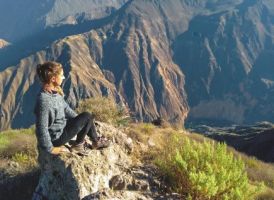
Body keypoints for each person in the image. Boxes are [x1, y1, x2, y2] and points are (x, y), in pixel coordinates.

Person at [34, 61, 110, 156]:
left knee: (87, 117)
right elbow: (41, 128)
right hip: (57, 138)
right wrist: (50, 149)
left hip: (62, 128)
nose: (63, 77)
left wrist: (81, 122)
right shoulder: (44, 100)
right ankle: (79, 145)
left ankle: (95, 140)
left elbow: (66, 109)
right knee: (87, 115)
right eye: (61, 75)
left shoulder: (55, 93)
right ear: (53, 79)